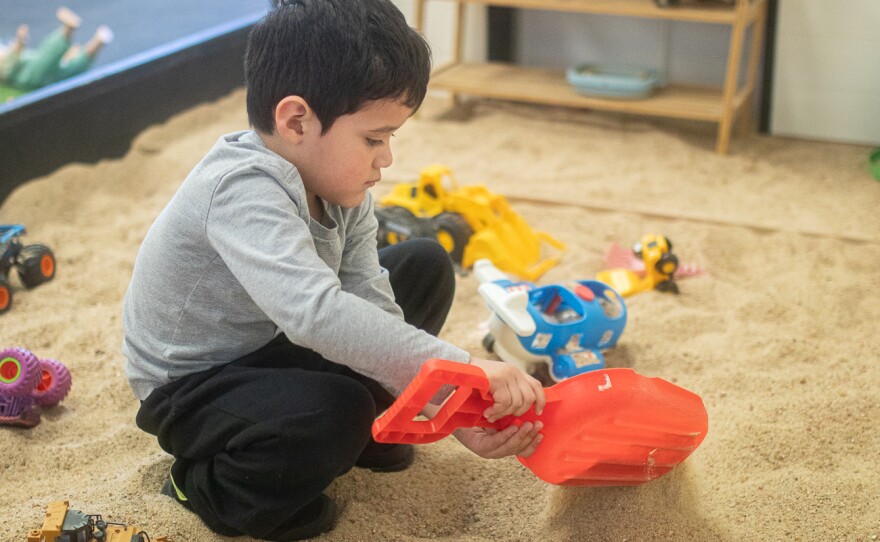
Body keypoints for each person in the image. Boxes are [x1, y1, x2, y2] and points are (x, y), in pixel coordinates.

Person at [121, 0, 546, 541]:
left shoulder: (341, 187)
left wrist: (451, 406)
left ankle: (368, 427)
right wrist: (460, 367)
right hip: (193, 384)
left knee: (422, 264)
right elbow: (314, 314)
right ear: (297, 120)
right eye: (374, 138)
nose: (386, 158)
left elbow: (367, 294)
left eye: (391, 137)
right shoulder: (240, 188)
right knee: (335, 412)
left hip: (273, 342)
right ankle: (204, 485)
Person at [0, 7, 112, 95]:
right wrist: (20, 42)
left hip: (40, 79)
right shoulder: (6, 68)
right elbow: (10, 62)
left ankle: (97, 41)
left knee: (70, 69)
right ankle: (69, 30)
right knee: (51, 58)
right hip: (31, 76)